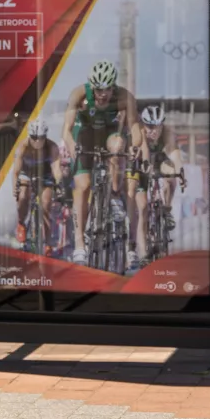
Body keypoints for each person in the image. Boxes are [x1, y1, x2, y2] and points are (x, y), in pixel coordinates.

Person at [61, 60, 140, 266]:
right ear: (92, 86)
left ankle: (114, 195)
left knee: (118, 145)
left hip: (109, 133)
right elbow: (67, 131)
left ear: (114, 86)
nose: (103, 94)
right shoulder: (79, 94)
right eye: (98, 89)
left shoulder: (125, 97)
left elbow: (134, 127)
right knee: (83, 185)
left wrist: (135, 146)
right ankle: (80, 243)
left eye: (107, 89)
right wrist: (72, 151)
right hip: (85, 134)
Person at [126, 105, 185, 270]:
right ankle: (143, 253)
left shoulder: (167, 133)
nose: (154, 131)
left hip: (158, 160)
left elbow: (175, 155)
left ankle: (166, 210)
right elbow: (144, 151)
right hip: (140, 165)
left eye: (157, 127)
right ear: (144, 125)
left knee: (171, 173)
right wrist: (146, 169)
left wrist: (180, 173)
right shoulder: (140, 132)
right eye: (150, 127)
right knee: (143, 208)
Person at [14, 118, 60, 251]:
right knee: (23, 196)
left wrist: (60, 185)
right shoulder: (23, 146)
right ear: (30, 136)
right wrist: (15, 188)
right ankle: (21, 224)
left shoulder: (52, 146)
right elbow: (16, 171)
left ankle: (48, 240)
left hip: (45, 175)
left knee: (46, 205)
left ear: (45, 136)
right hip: (26, 174)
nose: (37, 141)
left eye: (41, 138)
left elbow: (56, 170)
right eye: (34, 137)